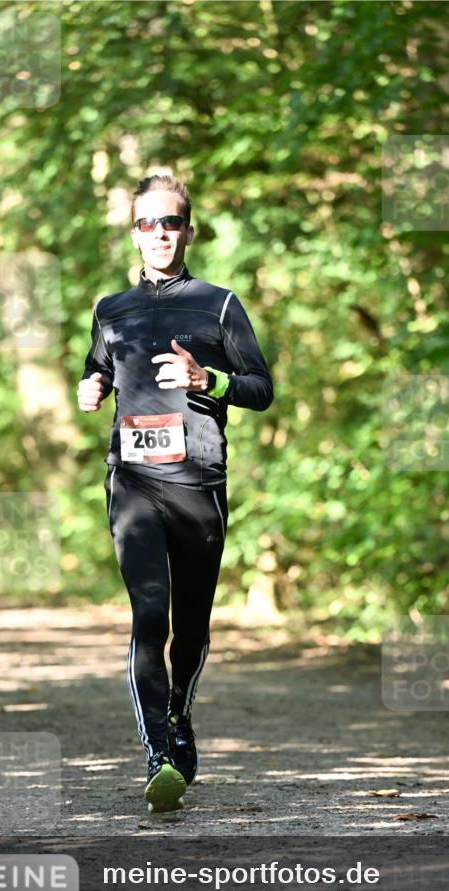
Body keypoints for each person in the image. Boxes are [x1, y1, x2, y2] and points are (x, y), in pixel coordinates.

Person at [77, 174, 273, 813]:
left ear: (189, 231)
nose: (159, 233)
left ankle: (180, 715)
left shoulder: (219, 305)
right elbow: (98, 367)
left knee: (190, 627)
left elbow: (260, 388)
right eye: (147, 223)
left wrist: (208, 379)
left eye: (170, 223)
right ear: (133, 232)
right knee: (148, 616)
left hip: (199, 483)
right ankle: (158, 754)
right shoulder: (111, 310)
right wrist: (90, 387)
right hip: (132, 481)